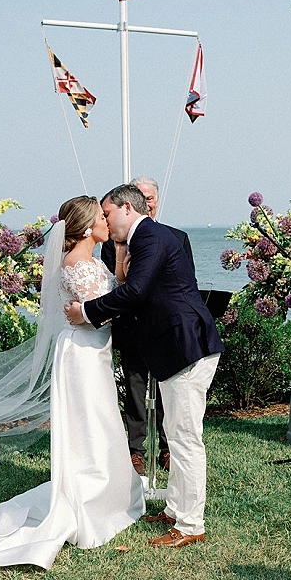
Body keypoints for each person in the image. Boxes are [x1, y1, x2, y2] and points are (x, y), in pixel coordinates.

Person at [0, 196, 145, 570]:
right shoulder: (74, 266)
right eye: (102, 216)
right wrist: (111, 302)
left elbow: (105, 300)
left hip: (94, 351)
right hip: (81, 355)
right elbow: (103, 312)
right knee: (89, 423)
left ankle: (110, 490)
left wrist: (116, 265)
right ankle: (87, 497)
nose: (107, 219)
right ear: (85, 228)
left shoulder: (93, 261)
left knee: (103, 422)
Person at [65, 184, 223, 549]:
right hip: (175, 347)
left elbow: (134, 293)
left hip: (186, 346)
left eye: (106, 213)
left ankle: (190, 525)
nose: (104, 220)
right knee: (178, 431)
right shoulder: (142, 239)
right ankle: (174, 510)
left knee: (185, 439)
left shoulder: (150, 237)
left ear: (125, 208)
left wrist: (85, 312)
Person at [101, 176, 195, 477]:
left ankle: (167, 448)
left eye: (150, 197)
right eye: (140, 195)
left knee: (170, 392)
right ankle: (135, 451)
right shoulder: (114, 242)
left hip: (164, 331)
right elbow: (116, 288)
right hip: (132, 330)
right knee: (134, 391)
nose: (146, 202)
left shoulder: (175, 238)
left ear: (155, 201)